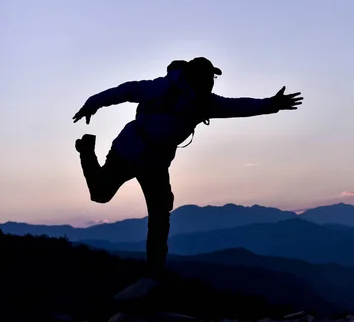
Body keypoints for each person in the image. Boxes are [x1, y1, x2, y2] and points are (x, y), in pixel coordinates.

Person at [72, 56, 303, 295]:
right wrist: (93, 103)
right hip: (131, 149)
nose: (211, 82)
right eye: (209, 78)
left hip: (153, 161)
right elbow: (125, 91)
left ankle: (154, 272)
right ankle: (86, 152)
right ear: (195, 77)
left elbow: (238, 107)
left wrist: (272, 104)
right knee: (100, 195)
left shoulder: (204, 103)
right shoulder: (161, 88)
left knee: (160, 214)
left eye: (212, 78)